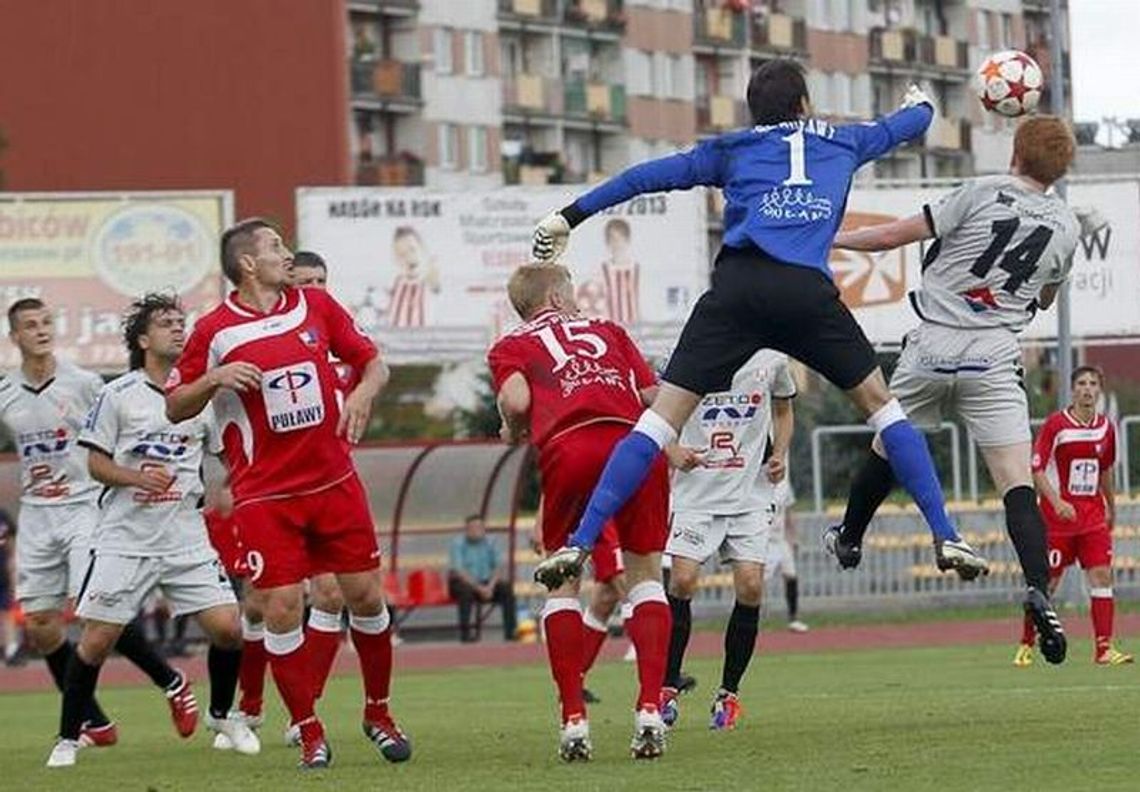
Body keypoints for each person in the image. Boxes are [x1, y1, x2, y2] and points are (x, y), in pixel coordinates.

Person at [529, 59, 987, 597]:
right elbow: (905, 127)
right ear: (805, 105)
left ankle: (579, 542)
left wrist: (570, 215)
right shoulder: (844, 141)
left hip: (739, 292)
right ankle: (947, 533)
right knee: (884, 410)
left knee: (658, 424)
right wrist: (922, 104)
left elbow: (645, 177)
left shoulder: (734, 148)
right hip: (806, 293)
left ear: (755, 110)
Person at [821, 115, 1082, 665]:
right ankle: (1038, 586)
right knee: (1016, 482)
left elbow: (893, 236)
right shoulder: (1066, 224)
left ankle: (849, 536)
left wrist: (830, 237)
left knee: (890, 441)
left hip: (933, 344)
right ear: (1059, 170)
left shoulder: (981, 191)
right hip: (993, 352)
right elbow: (1047, 299)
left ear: (1015, 150)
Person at [165, 218, 410, 769]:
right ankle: (308, 728)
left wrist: (363, 395)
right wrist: (215, 378)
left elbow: (372, 363)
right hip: (265, 496)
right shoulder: (214, 331)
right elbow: (175, 401)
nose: (286, 253)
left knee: (366, 597)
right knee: (280, 606)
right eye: (275, 246)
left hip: (334, 482)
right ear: (247, 263)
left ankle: (379, 713)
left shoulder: (317, 307)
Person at [47, 294, 259, 768]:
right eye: (165, 323)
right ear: (143, 339)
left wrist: (230, 485)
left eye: (181, 322)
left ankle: (222, 715)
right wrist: (136, 477)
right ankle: (66, 738)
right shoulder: (117, 394)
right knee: (97, 641)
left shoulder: (201, 397)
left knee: (229, 629)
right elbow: (96, 463)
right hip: (125, 536)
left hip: (185, 533)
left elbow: (225, 457)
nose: (178, 330)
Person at [489, 264, 671, 761]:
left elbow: (517, 399)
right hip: (635, 446)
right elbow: (654, 397)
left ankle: (573, 719)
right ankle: (650, 708)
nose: (576, 301)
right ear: (555, 295)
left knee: (562, 580)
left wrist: (510, 427)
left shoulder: (510, 345)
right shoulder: (608, 330)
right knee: (646, 575)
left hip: (570, 451)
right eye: (570, 292)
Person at [1, 298, 195, 750]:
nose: (41, 330)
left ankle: (171, 682)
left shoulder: (85, 384)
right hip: (36, 515)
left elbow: (118, 433)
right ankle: (95, 722)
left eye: (47, 322)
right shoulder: (7, 391)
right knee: (41, 626)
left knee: (94, 610)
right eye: (30, 325)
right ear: (15, 337)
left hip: (84, 507)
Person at [660, 349, 795, 731]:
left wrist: (780, 453)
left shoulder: (773, 359)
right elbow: (657, 414)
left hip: (750, 494)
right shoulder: (688, 350)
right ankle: (667, 687)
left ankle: (728, 694)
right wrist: (672, 451)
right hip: (696, 493)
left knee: (751, 587)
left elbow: (784, 411)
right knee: (682, 581)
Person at [1016, 367, 1132, 666]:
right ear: (1073, 389)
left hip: (1092, 518)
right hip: (1058, 521)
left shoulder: (1106, 427)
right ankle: (1027, 643)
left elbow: (1105, 470)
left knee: (1102, 576)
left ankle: (1104, 648)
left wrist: (1111, 507)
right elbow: (1037, 467)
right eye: (1082, 383)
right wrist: (1055, 502)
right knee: (1047, 585)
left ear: (1099, 390)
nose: (1087, 389)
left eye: (1093, 384)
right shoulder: (1057, 425)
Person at [447, 514, 517, 642]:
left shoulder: (491, 542)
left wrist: (490, 586)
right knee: (465, 592)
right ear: (466, 529)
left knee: (506, 589)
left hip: (486, 582)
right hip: (464, 582)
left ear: (484, 529)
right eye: (472, 528)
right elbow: (459, 571)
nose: (475, 531)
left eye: (479, 527)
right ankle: (466, 635)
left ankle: (511, 633)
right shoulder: (458, 544)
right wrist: (480, 589)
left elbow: (498, 567)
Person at [766, 477, 808, 633]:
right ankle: (753, 616)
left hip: (780, 539)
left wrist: (793, 536)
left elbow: (789, 511)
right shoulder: (757, 481)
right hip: (764, 542)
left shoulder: (784, 485)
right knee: (757, 582)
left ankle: (793, 618)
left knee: (791, 575)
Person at [386, 226, 439, 328]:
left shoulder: (429, 280)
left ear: (422, 249)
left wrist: (431, 267)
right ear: (396, 259)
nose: (408, 257)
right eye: (401, 254)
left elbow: (435, 282)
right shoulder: (396, 283)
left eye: (412, 249)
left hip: (425, 341)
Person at [600, 218, 640, 325]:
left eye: (619, 239)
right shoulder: (603, 270)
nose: (615, 244)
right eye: (612, 239)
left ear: (627, 240)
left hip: (635, 328)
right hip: (611, 327)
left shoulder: (637, 270)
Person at [0, 507, 22, 665]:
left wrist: (13, 571)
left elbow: (11, 545)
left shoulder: (2, 516)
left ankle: (11, 650)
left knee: (7, 612)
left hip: (1, 574)